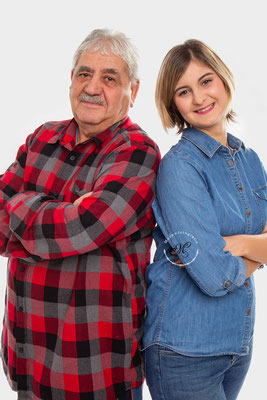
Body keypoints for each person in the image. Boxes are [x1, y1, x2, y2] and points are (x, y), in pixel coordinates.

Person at [0, 28, 160, 400]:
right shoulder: (42, 138)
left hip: (96, 371)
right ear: (71, 80)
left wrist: (20, 205)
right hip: (28, 362)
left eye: (109, 78)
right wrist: (62, 211)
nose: (92, 87)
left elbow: (82, 227)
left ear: (132, 92)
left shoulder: (137, 152)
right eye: (85, 73)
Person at [142, 39, 267, 400]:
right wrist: (256, 250)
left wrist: (238, 245)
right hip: (184, 350)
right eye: (184, 91)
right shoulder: (180, 167)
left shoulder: (250, 159)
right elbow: (212, 276)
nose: (199, 98)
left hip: (236, 344)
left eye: (206, 81)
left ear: (224, 81)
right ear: (174, 104)